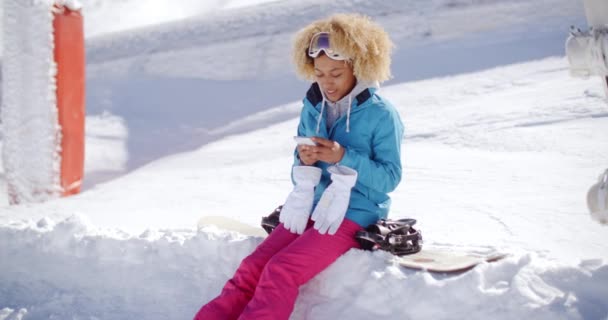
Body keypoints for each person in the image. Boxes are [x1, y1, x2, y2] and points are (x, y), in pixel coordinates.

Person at [193, 13, 404, 320]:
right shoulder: (314, 105)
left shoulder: (382, 115)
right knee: (253, 267)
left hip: (354, 214)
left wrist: (343, 156)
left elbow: (389, 178)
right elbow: (299, 166)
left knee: (281, 269)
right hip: (310, 206)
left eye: (336, 73)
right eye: (319, 74)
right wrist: (304, 161)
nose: (327, 83)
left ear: (358, 67)